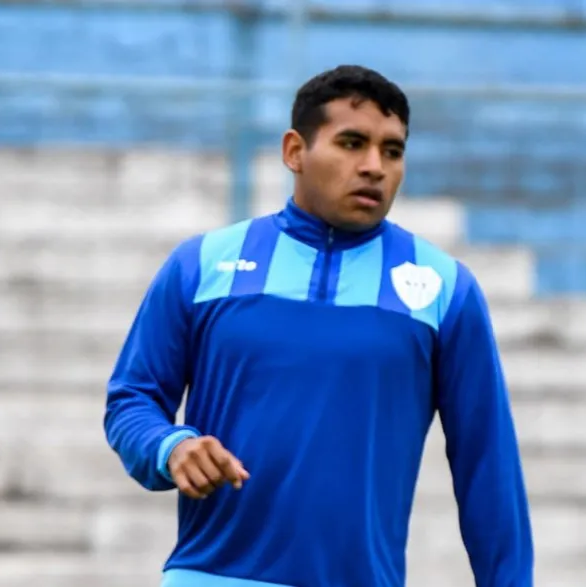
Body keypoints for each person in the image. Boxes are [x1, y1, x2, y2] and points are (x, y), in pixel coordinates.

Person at [104, 64, 534, 587]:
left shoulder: (444, 289)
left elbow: (488, 466)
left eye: (392, 151)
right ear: (295, 151)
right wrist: (169, 446)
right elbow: (131, 400)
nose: (374, 167)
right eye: (352, 143)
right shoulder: (202, 265)